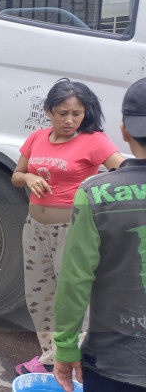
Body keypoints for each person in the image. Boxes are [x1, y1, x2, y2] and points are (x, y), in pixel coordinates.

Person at [11, 78, 125, 375]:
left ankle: (82, 364)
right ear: (49, 111)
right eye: (63, 113)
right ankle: (51, 355)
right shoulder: (36, 137)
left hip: (72, 232)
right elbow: (17, 174)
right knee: (39, 297)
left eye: (77, 113)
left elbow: (122, 172)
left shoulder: (95, 141)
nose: (70, 120)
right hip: (34, 228)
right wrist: (29, 179)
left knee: (74, 298)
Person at [52, 78, 146, 392]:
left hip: (115, 363)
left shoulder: (96, 193)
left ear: (124, 131)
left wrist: (65, 347)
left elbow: (75, 279)